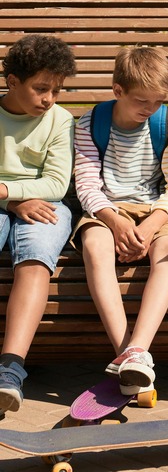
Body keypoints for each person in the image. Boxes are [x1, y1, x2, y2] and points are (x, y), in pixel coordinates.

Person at [72, 46, 168, 394]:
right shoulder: (91, 123)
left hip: (158, 210)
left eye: (157, 101)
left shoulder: (167, 122)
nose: (150, 108)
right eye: (142, 100)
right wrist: (114, 220)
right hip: (107, 207)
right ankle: (128, 354)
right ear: (117, 90)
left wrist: (151, 225)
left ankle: (138, 349)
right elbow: (87, 183)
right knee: (95, 246)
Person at [0, 34, 77, 414]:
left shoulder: (60, 120)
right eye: (41, 89)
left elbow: (56, 183)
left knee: (35, 259)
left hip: (46, 205)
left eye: (57, 90)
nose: (49, 99)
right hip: (5, 201)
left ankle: (10, 370)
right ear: (12, 81)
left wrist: (6, 191)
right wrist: (12, 199)